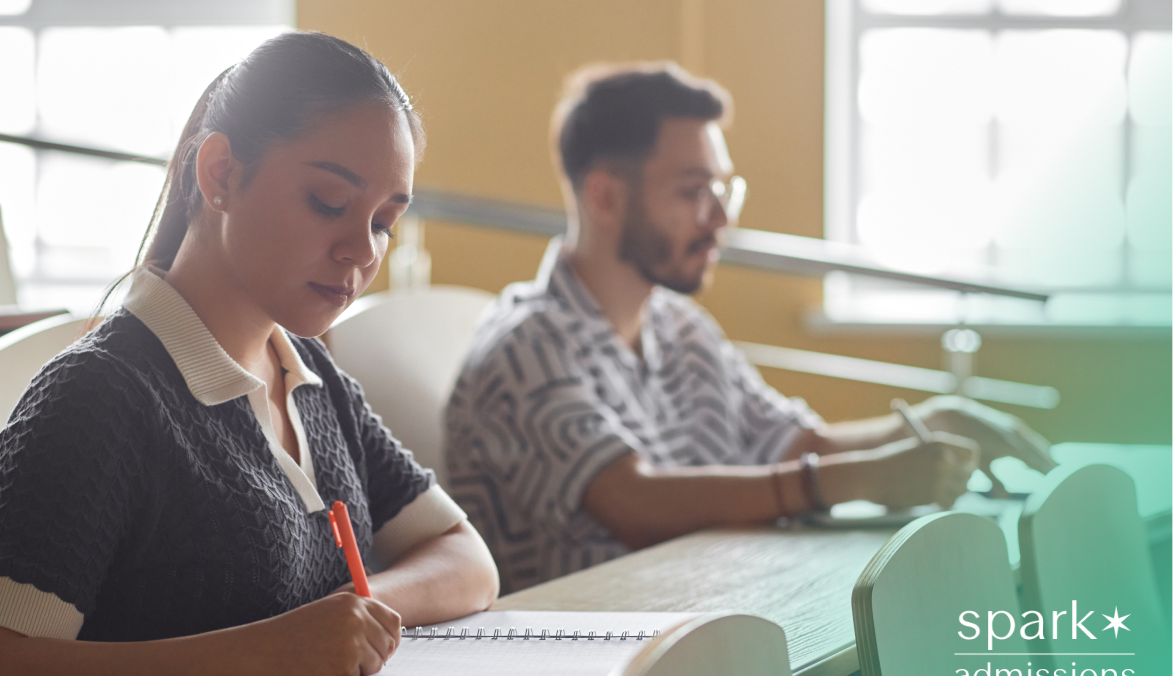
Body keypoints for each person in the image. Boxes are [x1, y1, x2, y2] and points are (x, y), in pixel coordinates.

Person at [0, 32, 499, 676]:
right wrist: (259, 652)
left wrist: (354, 615)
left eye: (385, 221)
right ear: (220, 174)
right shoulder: (95, 400)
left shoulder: (312, 378)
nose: (361, 251)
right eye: (329, 202)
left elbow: (466, 559)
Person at [443, 62, 1055, 595]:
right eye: (692, 191)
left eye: (723, 189)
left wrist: (931, 422)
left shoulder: (683, 329)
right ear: (604, 197)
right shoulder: (524, 348)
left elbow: (794, 445)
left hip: (707, 620)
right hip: (587, 672)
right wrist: (856, 480)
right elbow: (634, 501)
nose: (719, 219)